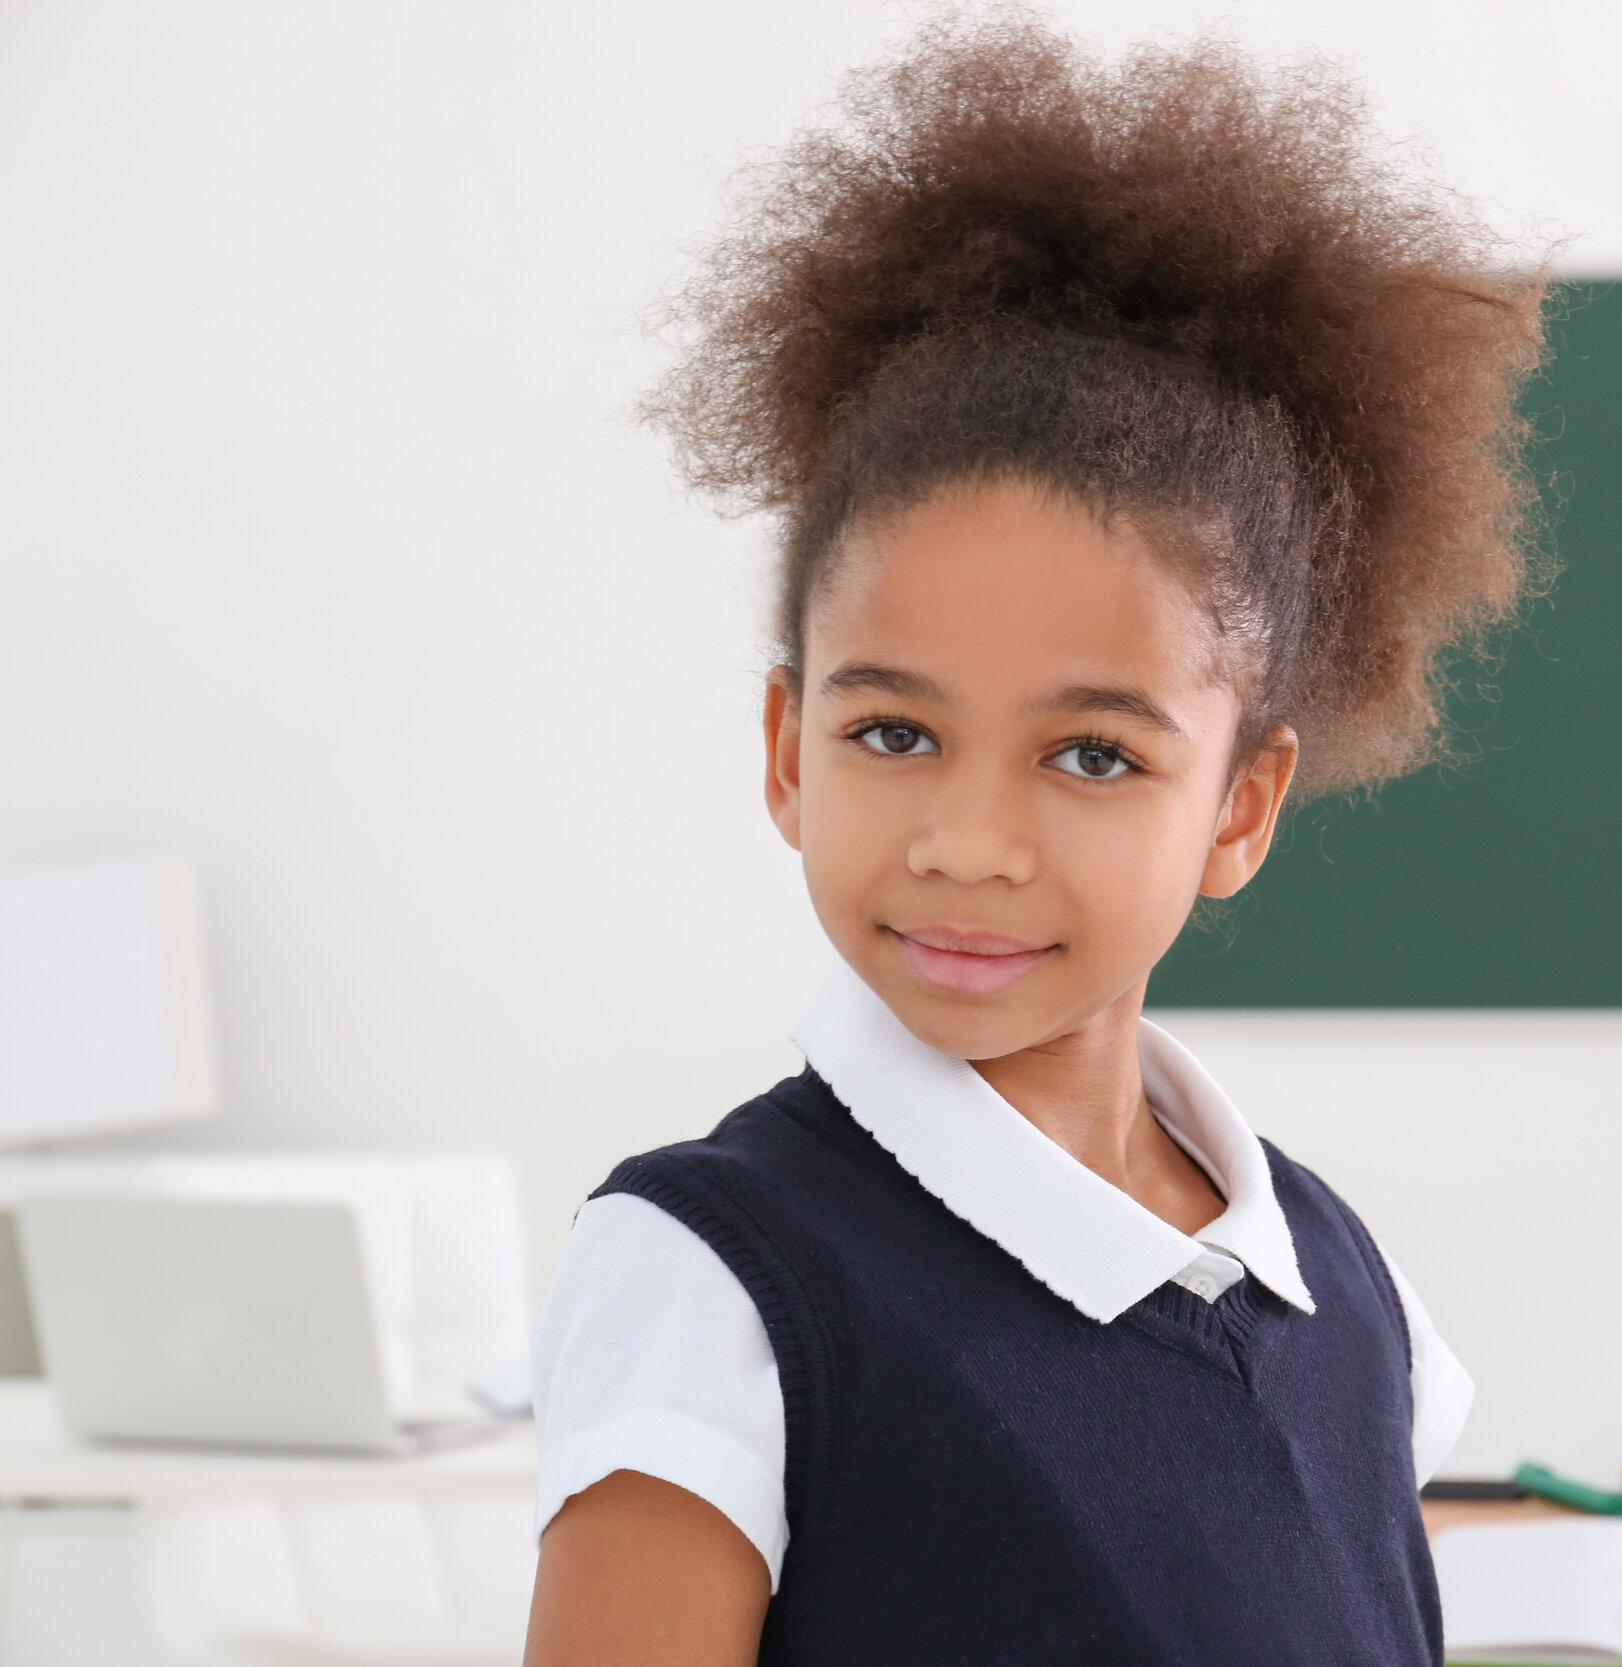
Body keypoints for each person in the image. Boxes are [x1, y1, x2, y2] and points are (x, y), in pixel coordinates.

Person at [522, 12, 1548, 1665]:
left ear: (1241, 806)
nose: (971, 842)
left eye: (1090, 753)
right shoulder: (716, 1273)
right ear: (789, 751)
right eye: (895, 733)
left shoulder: (1342, 1292)